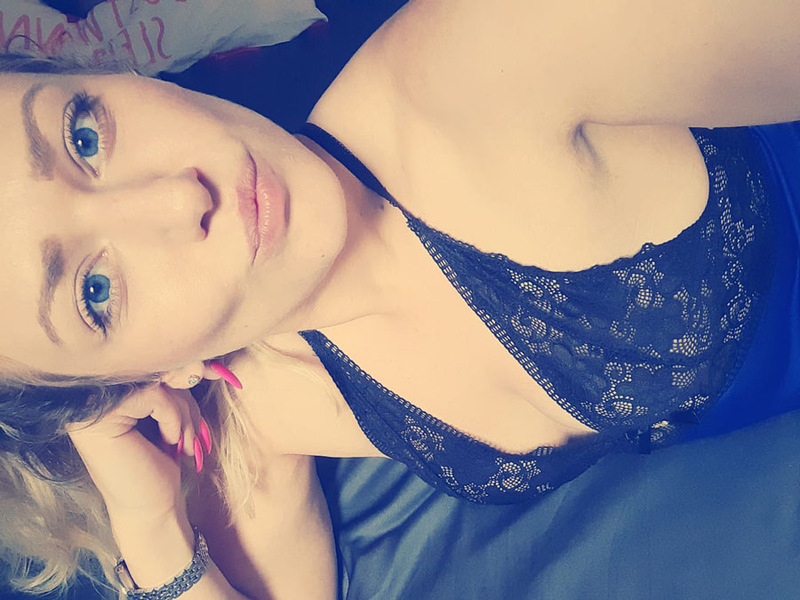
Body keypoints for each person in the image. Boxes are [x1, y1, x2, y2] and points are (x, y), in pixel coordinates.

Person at [2, 1, 800, 598]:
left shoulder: (488, 60)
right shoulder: (271, 400)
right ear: (144, 374)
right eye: (95, 293)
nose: (179, 199)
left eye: (83, 136)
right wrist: (152, 531)